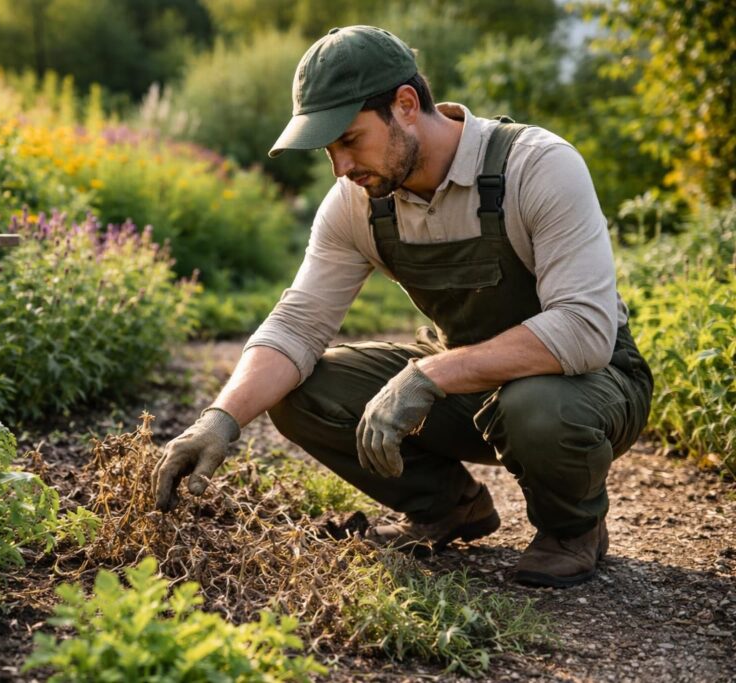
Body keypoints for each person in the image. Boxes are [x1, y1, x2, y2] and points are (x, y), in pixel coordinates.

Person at [151, 25, 653, 588]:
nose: (340, 167)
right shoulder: (358, 201)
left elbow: (585, 331)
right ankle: (447, 506)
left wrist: (429, 374)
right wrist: (218, 421)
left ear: (406, 105)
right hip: (467, 385)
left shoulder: (536, 166)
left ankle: (571, 528)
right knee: (300, 391)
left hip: (589, 385)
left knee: (535, 403)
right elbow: (297, 322)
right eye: (329, 151)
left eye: (349, 140)